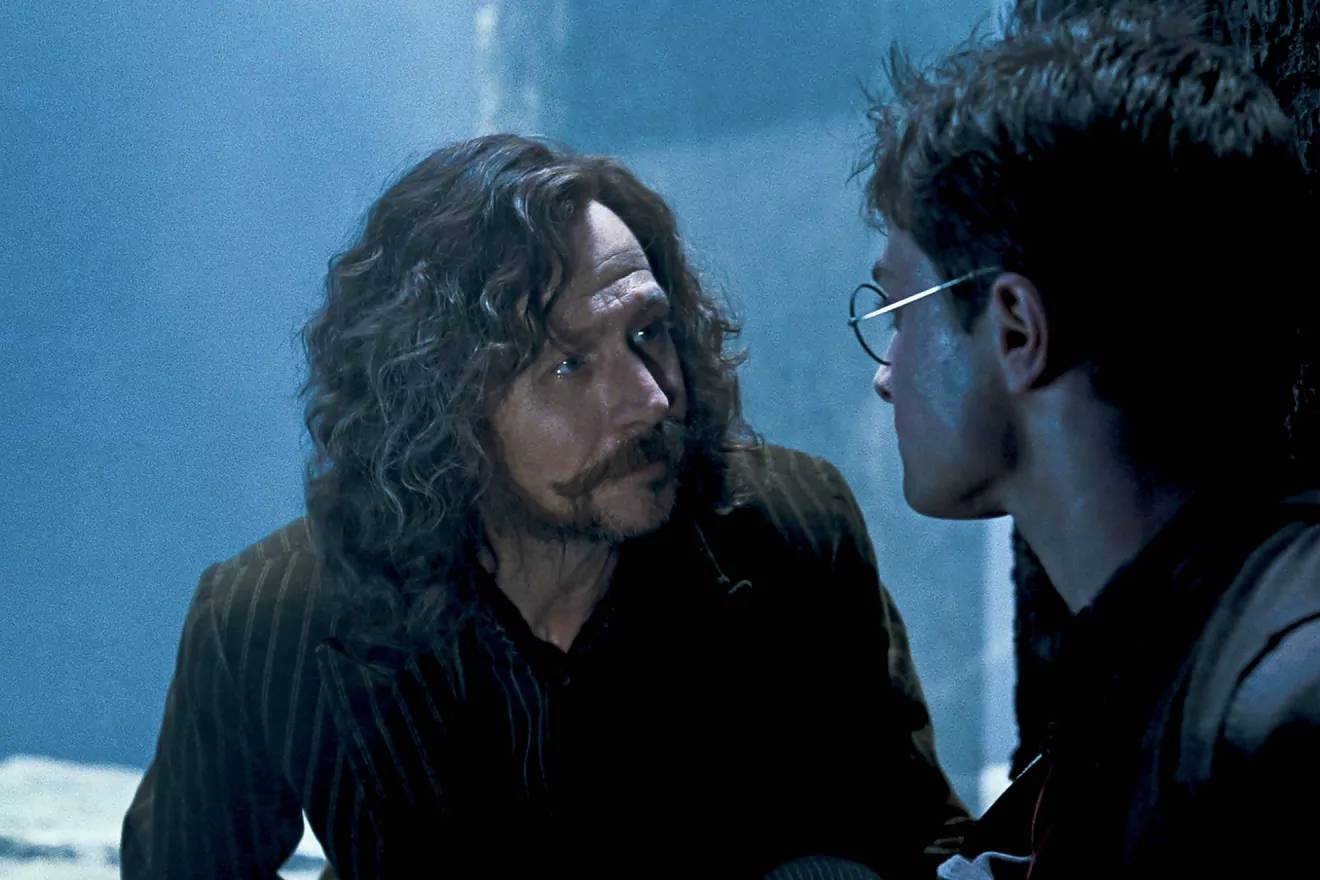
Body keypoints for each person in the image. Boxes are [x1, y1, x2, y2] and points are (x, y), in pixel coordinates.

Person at [122, 134, 968, 878]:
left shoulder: (791, 532)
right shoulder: (271, 621)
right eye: (569, 365)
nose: (651, 399)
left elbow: (916, 842)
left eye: (649, 331)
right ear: (444, 408)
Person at [848, 8, 1319, 877]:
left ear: (1017, 330)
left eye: (901, 313)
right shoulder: (1151, 665)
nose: (886, 375)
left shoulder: (1276, 726)